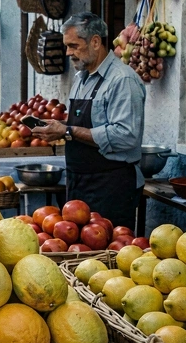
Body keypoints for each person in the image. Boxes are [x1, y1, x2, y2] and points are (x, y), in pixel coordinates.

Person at [32, 12, 145, 230]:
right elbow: (81, 125)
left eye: (73, 45)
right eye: (66, 46)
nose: (68, 53)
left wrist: (69, 131)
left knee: (108, 255)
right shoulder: (81, 78)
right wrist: (58, 127)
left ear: (95, 41)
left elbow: (126, 136)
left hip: (111, 187)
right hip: (80, 183)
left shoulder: (122, 80)